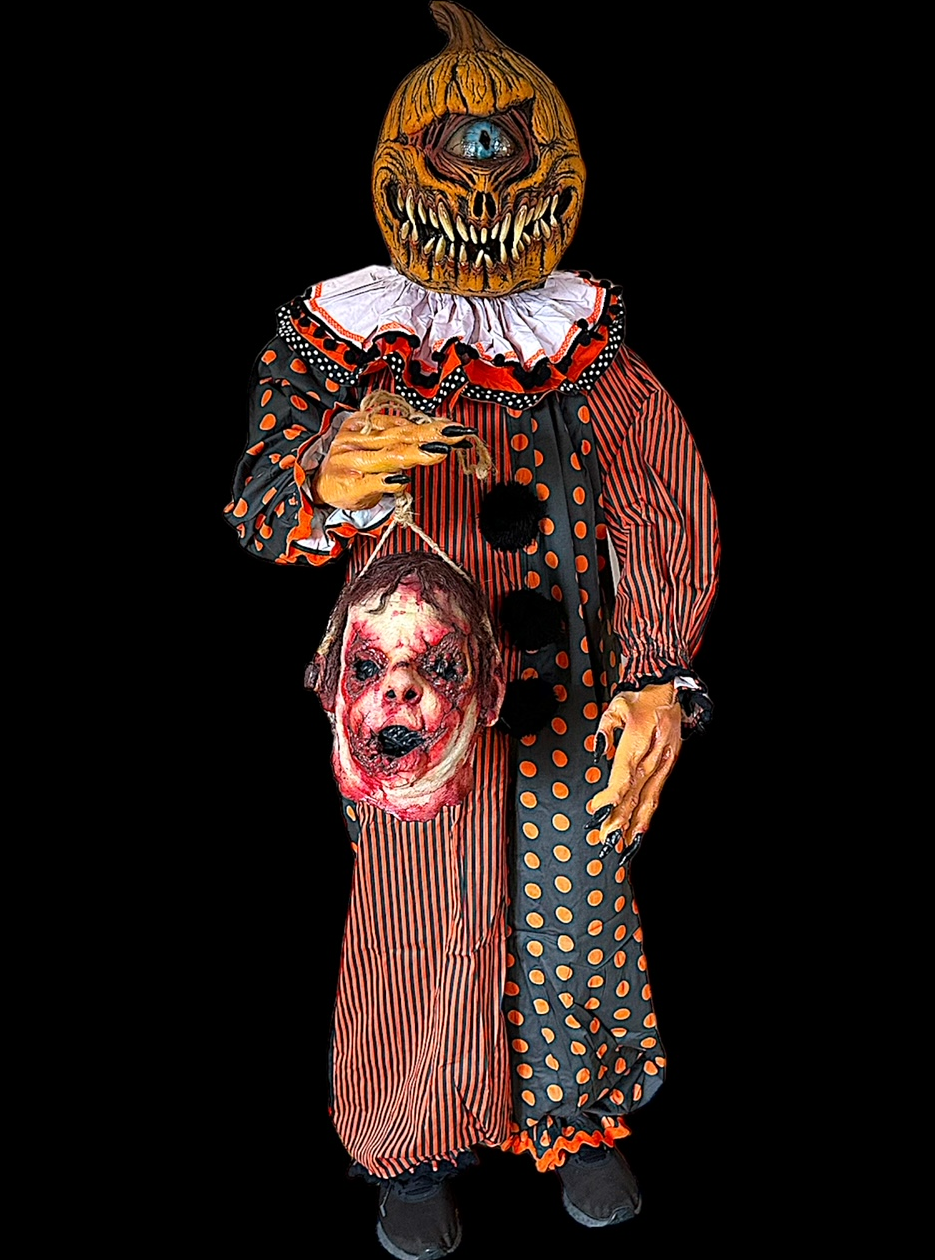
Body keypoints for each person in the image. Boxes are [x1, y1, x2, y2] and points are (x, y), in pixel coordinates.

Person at [225, 5, 720, 1257]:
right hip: (412, 692)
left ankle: (579, 1114)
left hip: (571, 684)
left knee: (575, 893)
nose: (487, 192)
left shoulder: (585, 347)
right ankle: (410, 1142)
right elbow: (262, 506)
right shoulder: (341, 338)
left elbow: (659, 500)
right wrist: (327, 473)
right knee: (416, 902)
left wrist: (658, 676)